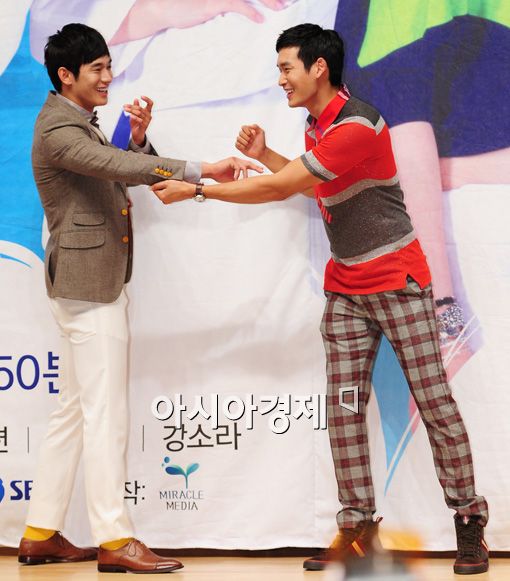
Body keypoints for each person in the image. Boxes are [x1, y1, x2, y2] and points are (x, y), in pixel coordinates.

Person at [152, 24, 490, 575]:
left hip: (397, 281)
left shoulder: (357, 123)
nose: (280, 79)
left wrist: (198, 189)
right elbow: (315, 184)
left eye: (286, 68)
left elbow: (282, 188)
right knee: (344, 409)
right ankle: (357, 530)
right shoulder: (318, 126)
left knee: (434, 404)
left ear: (319, 68)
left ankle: (469, 520)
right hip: (347, 289)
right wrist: (268, 154)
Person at [18, 22, 260, 574]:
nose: (109, 77)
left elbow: (114, 167)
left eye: (109, 66)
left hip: (87, 282)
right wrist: (203, 168)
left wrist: (137, 137)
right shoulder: (58, 128)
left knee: (73, 412)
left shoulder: (76, 122)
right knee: (105, 415)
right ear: (66, 75)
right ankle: (115, 538)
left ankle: (39, 532)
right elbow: (115, 167)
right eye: (98, 69)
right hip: (89, 286)